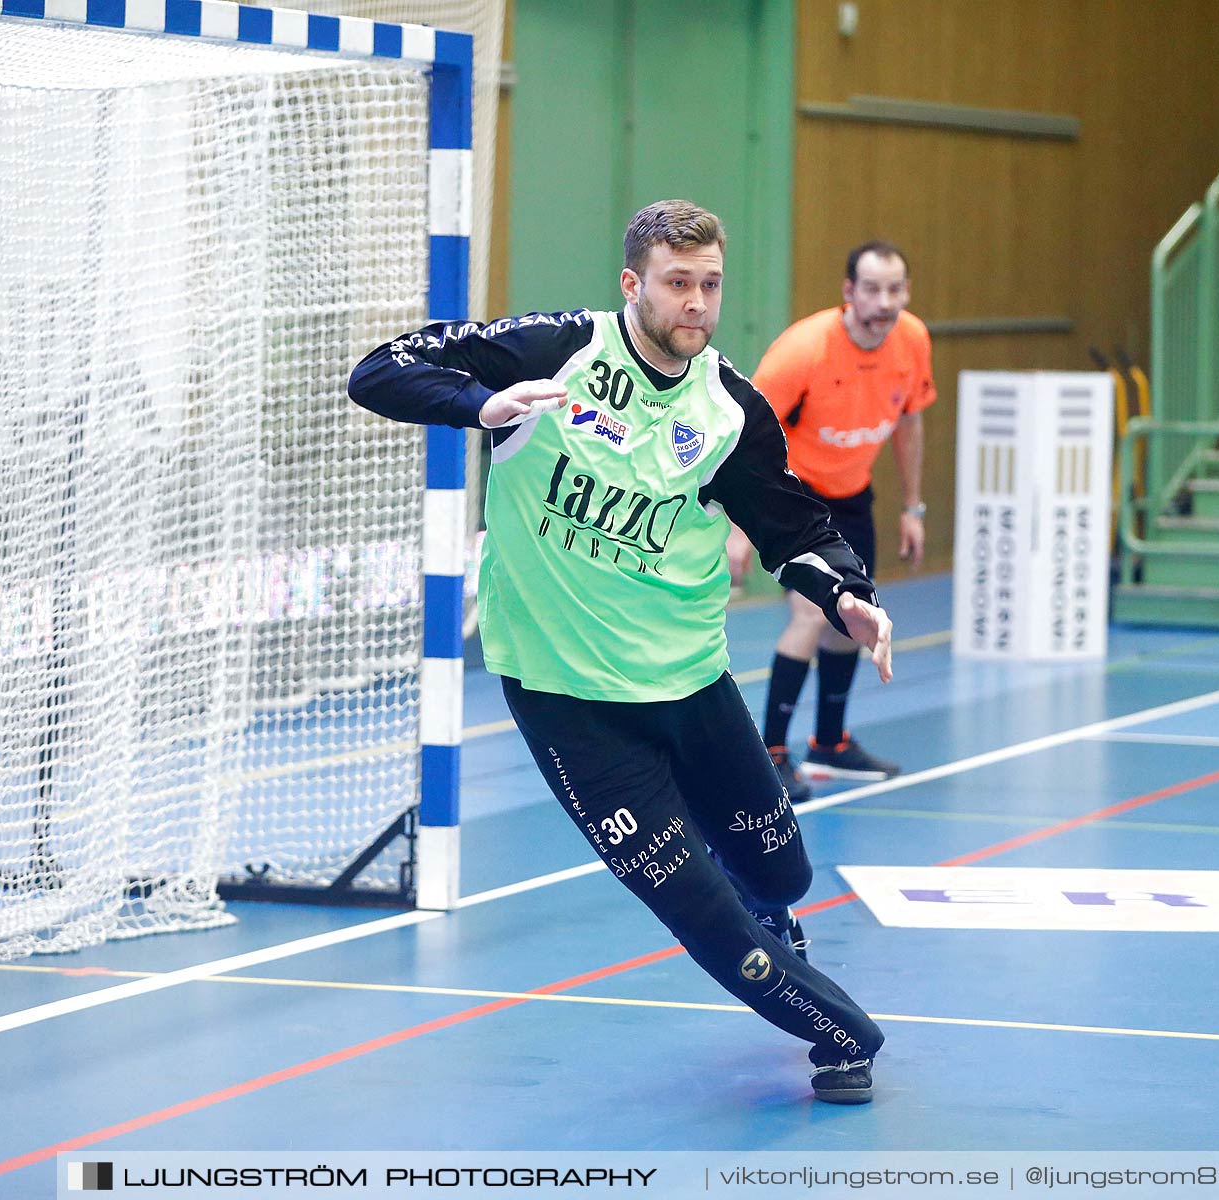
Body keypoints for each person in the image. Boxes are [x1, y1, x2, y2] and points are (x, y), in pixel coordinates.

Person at [347, 200, 891, 1104]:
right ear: (633, 284)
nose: (698, 304)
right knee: (696, 906)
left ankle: (774, 914)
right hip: (563, 694)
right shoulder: (551, 353)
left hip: (688, 680)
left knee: (780, 872)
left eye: (711, 285)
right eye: (678, 284)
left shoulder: (729, 408)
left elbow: (786, 520)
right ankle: (845, 1039)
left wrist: (847, 594)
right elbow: (380, 372)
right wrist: (483, 404)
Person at [727, 241, 935, 798]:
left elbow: (911, 423)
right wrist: (739, 527)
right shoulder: (804, 351)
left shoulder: (912, 341)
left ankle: (829, 744)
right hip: (791, 496)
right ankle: (770, 755)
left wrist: (912, 507)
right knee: (811, 616)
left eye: (895, 289)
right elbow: (742, 435)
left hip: (851, 493)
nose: (884, 301)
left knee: (856, 617)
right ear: (848, 292)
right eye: (872, 288)